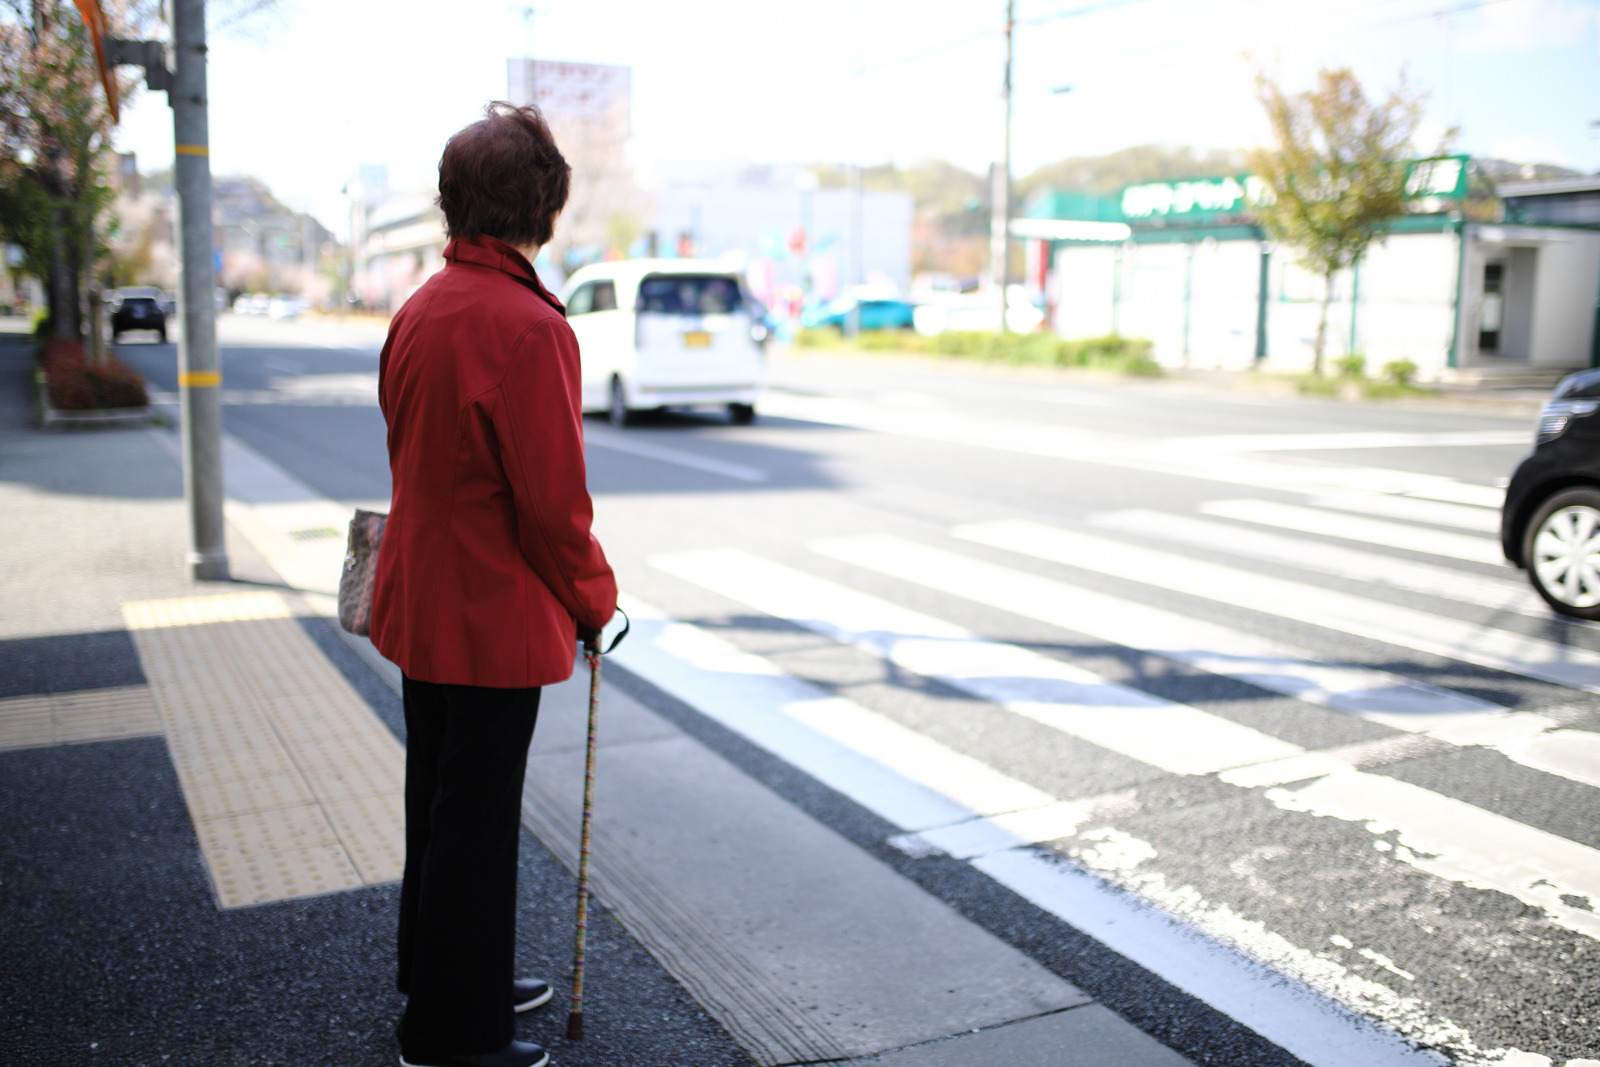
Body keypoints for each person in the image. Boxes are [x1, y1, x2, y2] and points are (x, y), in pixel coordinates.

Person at [370, 101, 617, 1067]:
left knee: (434, 802)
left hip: (418, 598)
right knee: (476, 824)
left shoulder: (419, 310)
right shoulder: (530, 327)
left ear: (452, 203)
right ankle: (448, 1032)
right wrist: (600, 604)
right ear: (543, 205)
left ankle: (440, 973)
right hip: (489, 615)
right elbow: (554, 509)